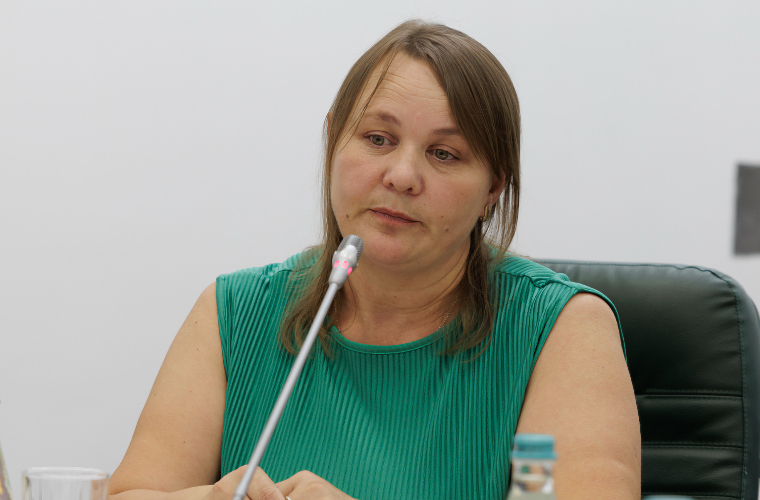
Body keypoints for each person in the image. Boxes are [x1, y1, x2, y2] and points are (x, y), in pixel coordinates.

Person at [108, 20, 641, 500]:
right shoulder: (234, 314)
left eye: (444, 154)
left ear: (493, 189)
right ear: (333, 142)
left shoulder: (559, 331)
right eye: (378, 139)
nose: (402, 176)